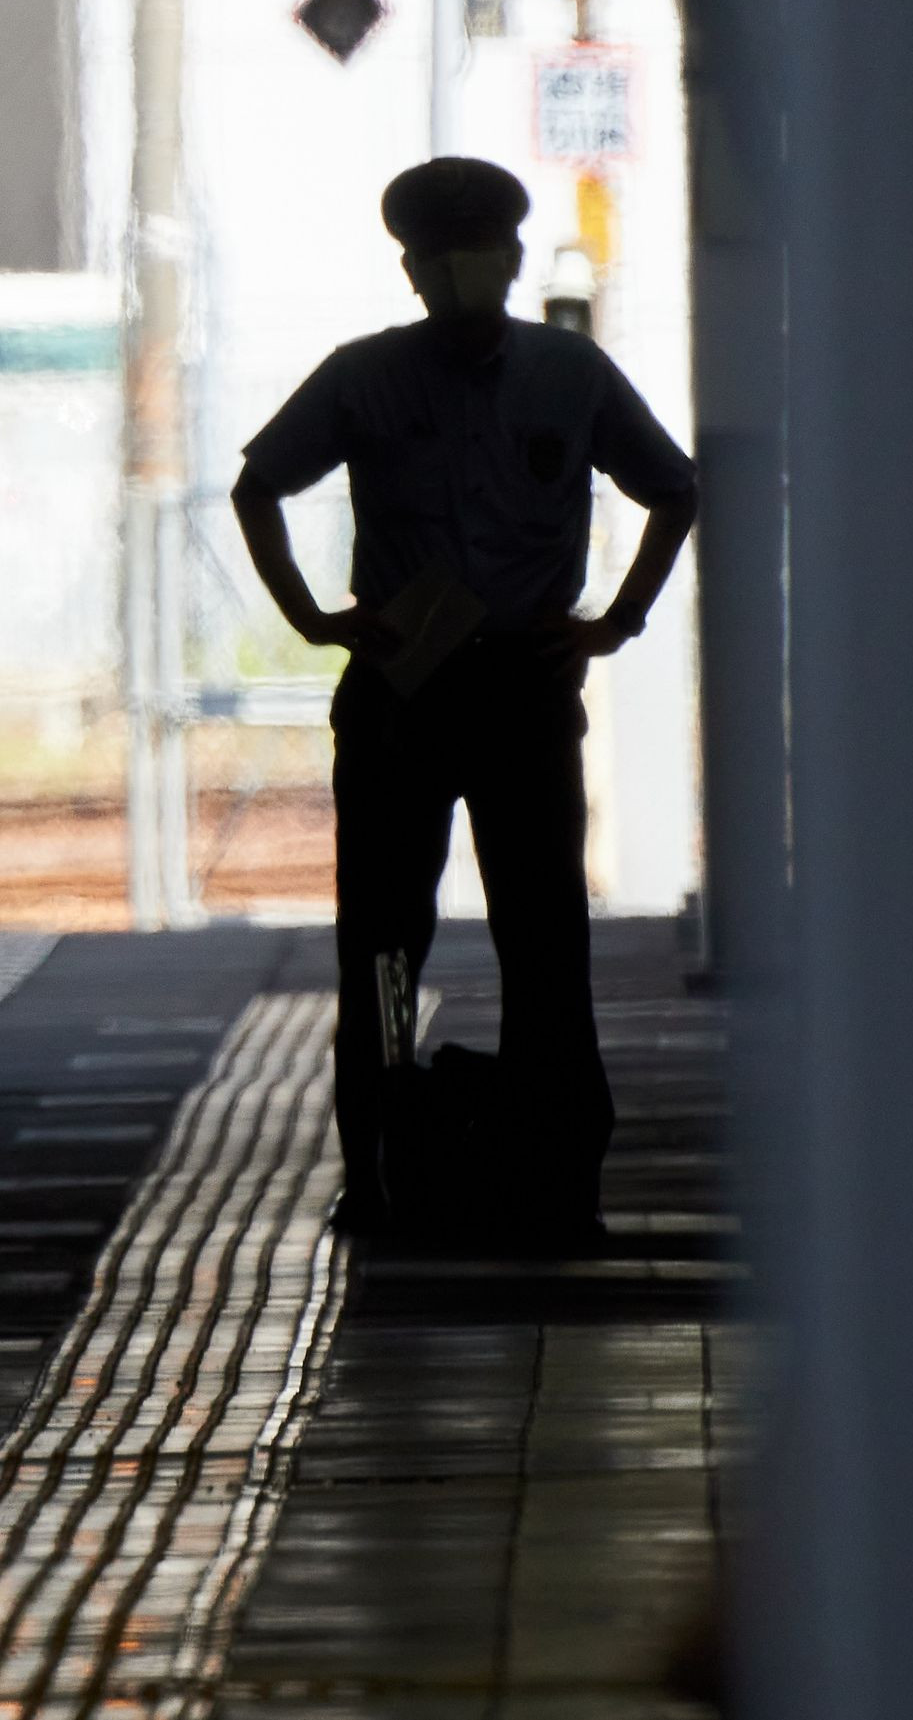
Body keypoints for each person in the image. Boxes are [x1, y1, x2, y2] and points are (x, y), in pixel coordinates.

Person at [229, 157, 698, 1235]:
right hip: (405, 690)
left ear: (513, 259)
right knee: (387, 943)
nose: (458, 275)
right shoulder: (363, 376)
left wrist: (614, 622)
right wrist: (312, 618)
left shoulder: (568, 373)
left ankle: (551, 1171)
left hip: (516, 685)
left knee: (540, 940)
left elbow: (673, 489)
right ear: (410, 272)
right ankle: (380, 1165)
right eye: (440, 259)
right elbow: (258, 486)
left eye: (473, 253)